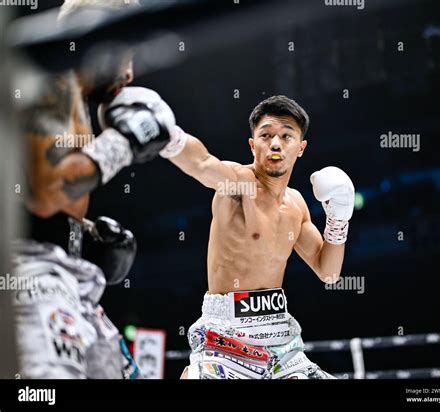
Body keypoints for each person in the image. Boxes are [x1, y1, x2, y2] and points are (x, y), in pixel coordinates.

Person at [101, 89, 355, 379]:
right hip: (226, 336)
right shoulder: (240, 184)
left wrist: (339, 218)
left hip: (281, 341)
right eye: (266, 135)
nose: (276, 143)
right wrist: (168, 134)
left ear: (301, 147)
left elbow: (329, 273)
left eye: (286, 136)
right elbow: (202, 164)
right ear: (252, 145)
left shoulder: (297, 205)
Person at [11, 0, 178, 379]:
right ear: (102, 38)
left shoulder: (74, 98)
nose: (131, 73)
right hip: (32, 272)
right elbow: (46, 192)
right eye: (127, 55)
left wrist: (86, 236)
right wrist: (125, 141)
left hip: (65, 272)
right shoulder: (53, 77)